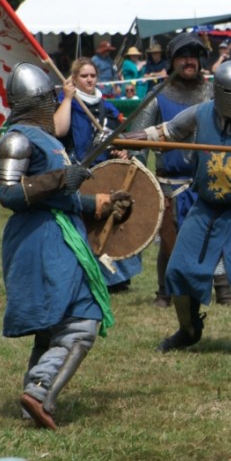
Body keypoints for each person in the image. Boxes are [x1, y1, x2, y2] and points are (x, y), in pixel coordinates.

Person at [0, 62, 131, 430]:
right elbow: (7, 193)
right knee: (82, 319)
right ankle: (40, 393)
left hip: (60, 231)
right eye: (48, 99)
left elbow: (62, 195)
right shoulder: (16, 138)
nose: (52, 104)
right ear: (39, 101)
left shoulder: (50, 139)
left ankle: (33, 400)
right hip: (41, 238)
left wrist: (98, 203)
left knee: (52, 325)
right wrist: (59, 178)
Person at [128, 61, 231, 356]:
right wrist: (121, 139)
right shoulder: (201, 114)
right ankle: (188, 330)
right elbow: (164, 133)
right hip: (207, 208)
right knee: (180, 269)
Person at [131, 32, 231, 308]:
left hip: (208, 178)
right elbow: (138, 142)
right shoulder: (156, 96)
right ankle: (165, 292)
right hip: (170, 183)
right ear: (172, 61)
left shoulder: (214, 95)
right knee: (170, 241)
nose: (189, 61)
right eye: (182, 56)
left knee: (215, 235)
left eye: (194, 56)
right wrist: (135, 170)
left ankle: (223, 289)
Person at [54, 57, 141, 294]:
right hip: (78, 173)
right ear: (74, 79)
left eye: (93, 75)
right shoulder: (65, 103)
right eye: (84, 76)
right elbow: (59, 130)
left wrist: (122, 149)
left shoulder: (107, 108)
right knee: (88, 227)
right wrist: (68, 98)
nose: (90, 80)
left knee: (114, 221)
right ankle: (89, 276)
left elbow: (120, 139)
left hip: (107, 173)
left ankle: (118, 278)